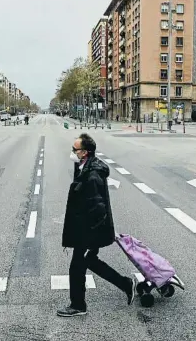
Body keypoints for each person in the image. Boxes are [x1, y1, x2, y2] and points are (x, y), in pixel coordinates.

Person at [57, 133, 136, 317]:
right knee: (90, 262)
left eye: (74, 149)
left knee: (77, 267)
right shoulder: (84, 166)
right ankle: (126, 284)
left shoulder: (92, 175)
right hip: (85, 232)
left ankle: (78, 305)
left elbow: (98, 208)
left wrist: (89, 239)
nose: (72, 152)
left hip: (88, 234)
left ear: (84, 152)